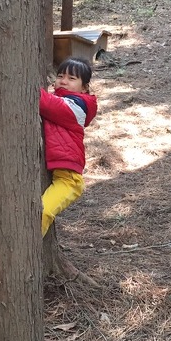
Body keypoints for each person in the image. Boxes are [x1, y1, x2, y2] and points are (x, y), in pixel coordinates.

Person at [40, 57, 98, 236]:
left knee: (42, 212)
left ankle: (19, 248)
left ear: (84, 88)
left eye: (72, 78)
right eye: (60, 76)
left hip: (69, 179)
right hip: (59, 172)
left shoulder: (78, 107)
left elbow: (47, 104)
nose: (63, 81)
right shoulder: (61, 99)